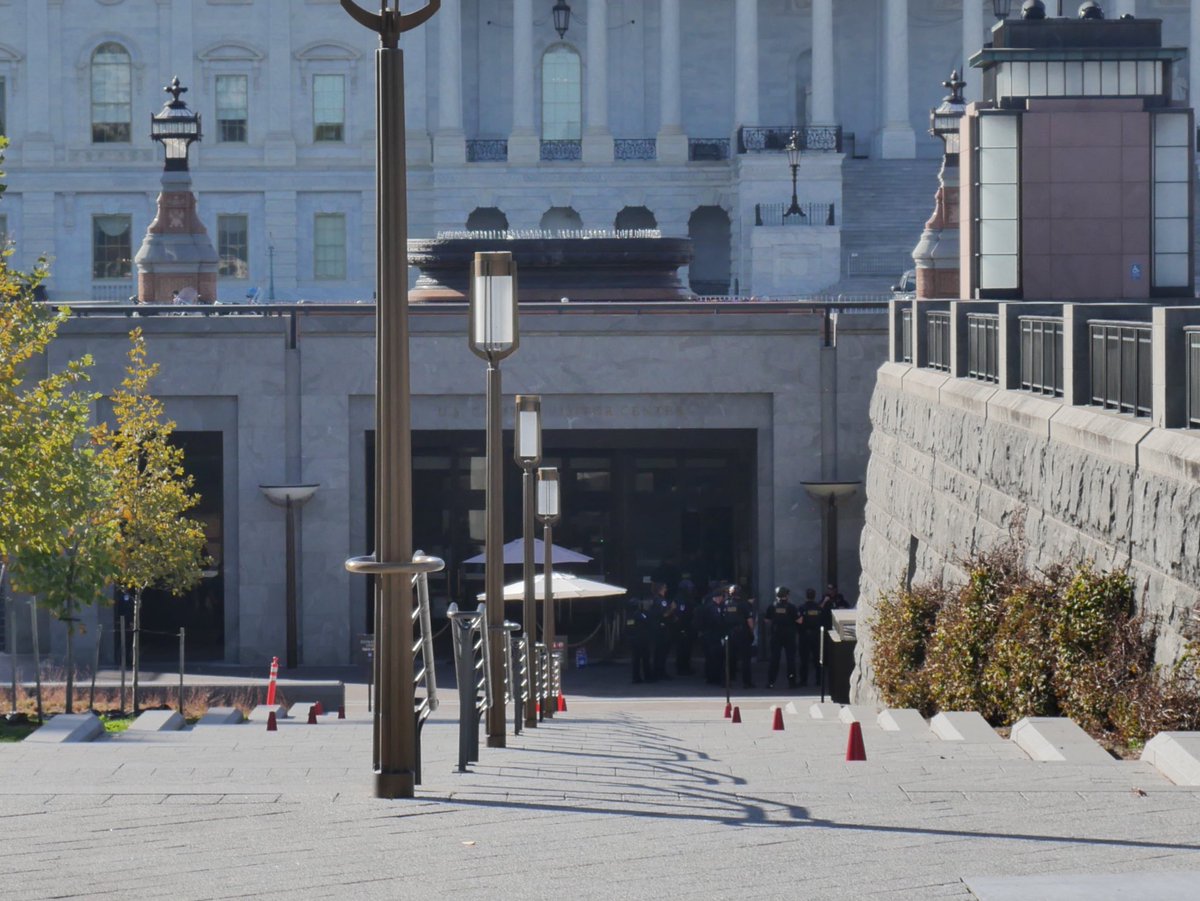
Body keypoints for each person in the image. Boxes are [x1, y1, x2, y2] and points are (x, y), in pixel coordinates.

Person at [763, 586, 799, 689]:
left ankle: (771, 682)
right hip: (789, 635)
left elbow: (766, 620)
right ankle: (792, 682)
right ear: (786, 595)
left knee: (774, 659)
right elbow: (799, 620)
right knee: (790, 659)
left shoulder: (772, 606)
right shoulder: (791, 607)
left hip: (776, 635)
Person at [797, 587, 822, 687]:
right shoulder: (818, 608)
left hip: (805, 635)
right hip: (816, 635)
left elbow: (799, 621)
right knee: (817, 659)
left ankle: (803, 681)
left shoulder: (802, 607)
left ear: (806, 596)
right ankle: (819, 681)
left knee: (804, 660)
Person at [650, 582, 675, 680]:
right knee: (661, 652)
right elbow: (663, 615)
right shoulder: (660, 600)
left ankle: (659, 671)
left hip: (660, 629)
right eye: (665, 588)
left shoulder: (659, 599)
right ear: (660, 589)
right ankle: (659, 672)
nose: (666, 589)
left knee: (660, 652)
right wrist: (672, 609)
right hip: (661, 630)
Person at [626, 595, 654, 683]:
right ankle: (647, 677)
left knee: (636, 660)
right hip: (642, 640)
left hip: (634, 640)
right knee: (645, 659)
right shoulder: (638, 614)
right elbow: (647, 621)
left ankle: (636, 677)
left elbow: (629, 628)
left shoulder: (629, 616)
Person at [673, 577, 696, 676]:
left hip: (687, 626)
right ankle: (682, 668)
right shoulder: (681, 599)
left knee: (687, 648)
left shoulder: (687, 598)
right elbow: (680, 614)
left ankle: (686, 666)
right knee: (682, 648)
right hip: (682, 627)